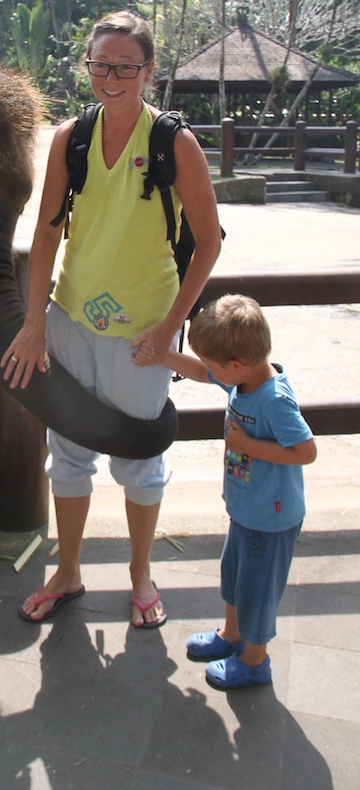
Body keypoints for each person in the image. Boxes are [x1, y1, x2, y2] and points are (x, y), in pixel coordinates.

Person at [2, 10, 222, 625]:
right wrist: (34, 321)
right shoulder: (69, 138)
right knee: (67, 452)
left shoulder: (173, 143)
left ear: (148, 71)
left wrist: (169, 326)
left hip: (141, 333)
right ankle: (67, 572)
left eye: (126, 66)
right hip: (71, 319)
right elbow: (46, 235)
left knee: (139, 459)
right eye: (101, 64)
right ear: (88, 67)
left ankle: (140, 575)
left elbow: (208, 243)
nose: (111, 76)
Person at [134, 294, 316, 688]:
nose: (210, 371)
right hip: (247, 508)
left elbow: (306, 450)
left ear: (236, 365)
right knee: (234, 577)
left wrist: (247, 446)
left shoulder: (275, 400)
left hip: (272, 517)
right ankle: (232, 636)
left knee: (257, 589)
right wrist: (162, 355)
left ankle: (255, 660)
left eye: (216, 365)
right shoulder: (245, 378)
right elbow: (203, 373)